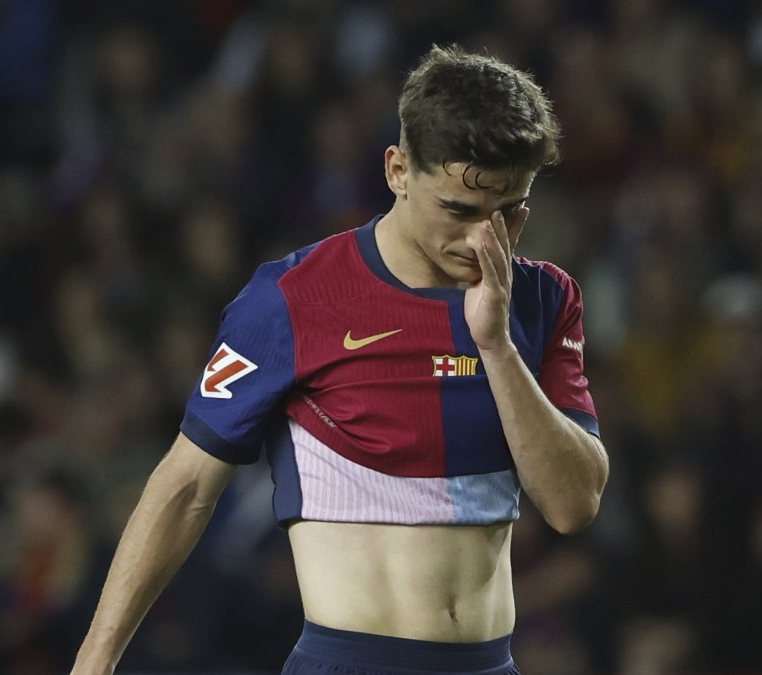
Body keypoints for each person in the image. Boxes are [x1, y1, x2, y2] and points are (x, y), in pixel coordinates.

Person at [71, 44, 609, 675]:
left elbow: (574, 506)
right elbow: (185, 487)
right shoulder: (292, 298)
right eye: (459, 211)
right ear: (398, 169)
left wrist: (495, 345)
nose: (479, 240)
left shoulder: (543, 297)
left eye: (506, 213)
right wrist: (94, 662)